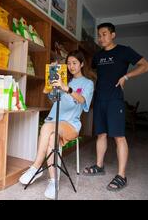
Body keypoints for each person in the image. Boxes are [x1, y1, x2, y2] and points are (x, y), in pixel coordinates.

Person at [82, 23, 148, 191]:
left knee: (119, 137)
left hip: (115, 100)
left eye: (104, 34)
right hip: (99, 100)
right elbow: (96, 74)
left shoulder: (124, 51)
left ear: (113, 34)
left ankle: (122, 175)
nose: (101, 38)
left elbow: (146, 66)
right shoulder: (97, 56)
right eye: (99, 35)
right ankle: (99, 166)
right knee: (101, 134)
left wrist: (126, 76)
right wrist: (82, 69)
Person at [19, 50, 94, 199]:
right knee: (51, 136)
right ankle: (54, 181)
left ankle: (36, 166)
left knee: (47, 127)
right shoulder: (63, 78)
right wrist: (51, 74)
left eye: (74, 63)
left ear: (82, 64)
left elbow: (82, 100)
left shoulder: (87, 83)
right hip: (54, 123)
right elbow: (46, 91)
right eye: (69, 63)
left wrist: (66, 88)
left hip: (71, 126)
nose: (71, 66)